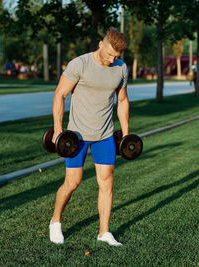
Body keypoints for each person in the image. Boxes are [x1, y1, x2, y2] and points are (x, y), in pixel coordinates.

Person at [49, 28, 129, 246]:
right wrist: (58, 129)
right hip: (77, 135)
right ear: (101, 44)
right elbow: (60, 94)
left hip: (104, 135)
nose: (112, 59)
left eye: (117, 56)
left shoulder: (121, 68)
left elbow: (122, 101)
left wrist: (126, 131)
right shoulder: (79, 64)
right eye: (110, 54)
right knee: (72, 182)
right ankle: (55, 221)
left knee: (106, 183)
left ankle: (104, 232)